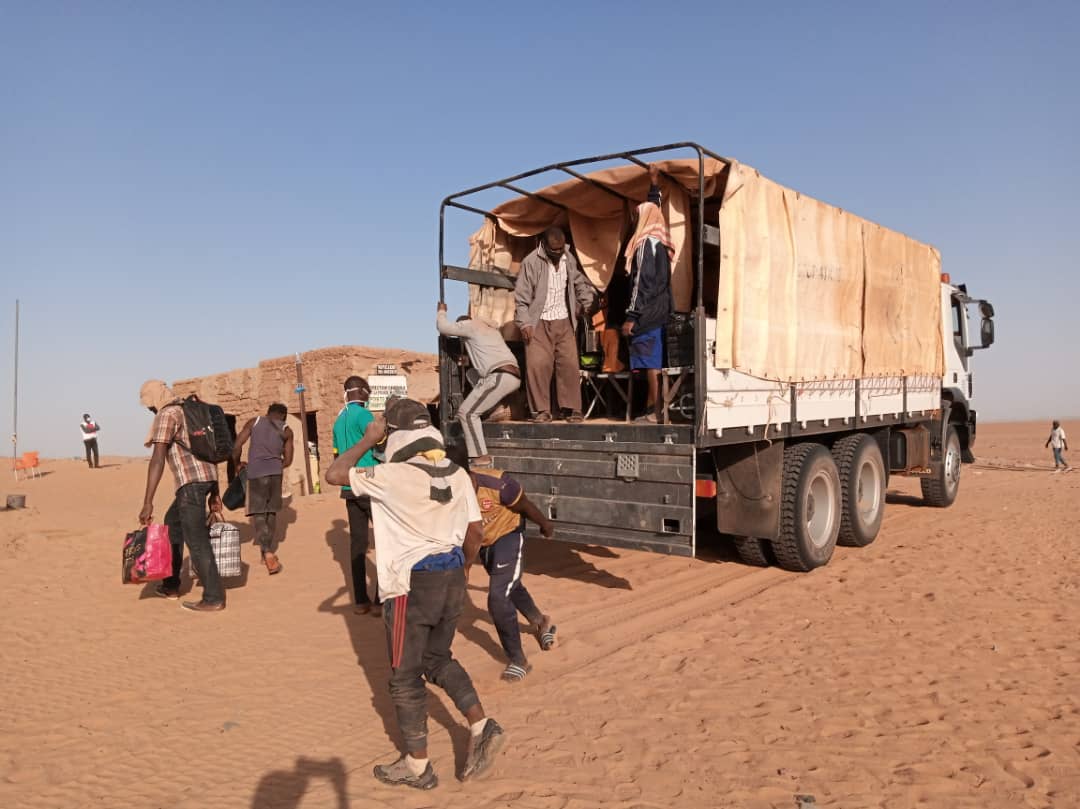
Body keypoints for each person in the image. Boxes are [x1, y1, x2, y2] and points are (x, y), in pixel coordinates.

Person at [325, 398, 505, 790]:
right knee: (438, 658)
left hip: (410, 584)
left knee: (404, 677)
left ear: (394, 435)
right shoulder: (457, 474)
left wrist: (366, 440)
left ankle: (417, 766)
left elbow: (335, 473)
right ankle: (480, 724)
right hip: (452, 575)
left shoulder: (392, 475)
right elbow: (475, 533)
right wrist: (465, 567)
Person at [451, 447, 558, 683]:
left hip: (508, 536)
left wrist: (544, 524)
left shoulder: (497, 484)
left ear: (465, 474)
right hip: (484, 544)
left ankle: (518, 659)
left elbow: (525, 505)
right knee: (510, 586)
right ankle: (541, 622)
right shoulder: (447, 492)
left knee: (498, 596)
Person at [138, 380, 225, 612]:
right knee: (172, 524)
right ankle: (171, 585)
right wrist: (214, 491)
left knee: (196, 542)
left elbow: (158, 458)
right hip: (205, 479)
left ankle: (213, 597)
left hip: (190, 484)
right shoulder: (189, 411)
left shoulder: (167, 414)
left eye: (149, 405)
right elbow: (207, 451)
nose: (150, 410)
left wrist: (148, 502)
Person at [514, 226, 597, 423]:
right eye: (555, 250)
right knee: (538, 366)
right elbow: (521, 298)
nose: (559, 252)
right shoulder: (531, 262)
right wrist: (524, 323)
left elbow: (578, 282)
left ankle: (572, 409)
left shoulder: (569, 258)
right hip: (538, 322)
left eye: (561, 249)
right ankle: (541, 411)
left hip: (564, 320)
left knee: (568, 364)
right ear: (544, 245)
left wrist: (586, 303)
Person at [436, 302, 520, 466]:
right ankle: (500, 409)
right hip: (510, 375)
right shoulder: (489, 330)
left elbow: (443, 327)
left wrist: (441, 311)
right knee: (474, 380)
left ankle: (480, 456)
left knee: (466, 413)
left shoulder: (468, 326)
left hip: (499, 375)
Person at [621, 165, 675, 423]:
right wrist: (654, 186)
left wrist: (631, 316)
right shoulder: (661, 242)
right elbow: (655, 209)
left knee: (649, 364)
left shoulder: (644, 245)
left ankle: (654, 412)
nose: (635, 220)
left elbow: (641, 282)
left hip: (646, 314)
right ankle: (656, 409)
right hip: (661, 311)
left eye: (637, 216)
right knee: (655, 363)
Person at [332, 376, 382, 615]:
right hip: (369, 482)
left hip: (348, 486)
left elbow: (336, 454)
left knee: (358, 545)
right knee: (384, 541)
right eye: (368, 391)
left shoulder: (339, 420)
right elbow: (378, 443)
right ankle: (381, 600)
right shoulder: (365, 416)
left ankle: (361, 601)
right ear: (361, 392)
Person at [232, 403, 294, 575]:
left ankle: (266, 551)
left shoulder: (255, 422)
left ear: (268, 413)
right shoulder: (287, 431)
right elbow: (288, 459)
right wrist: (275, 465)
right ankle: (266, 551)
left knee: (259, 513)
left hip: (256, 473)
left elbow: (237, 446)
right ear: (284, 416)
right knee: (271, 512)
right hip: (275, 474)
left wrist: (237, 464)